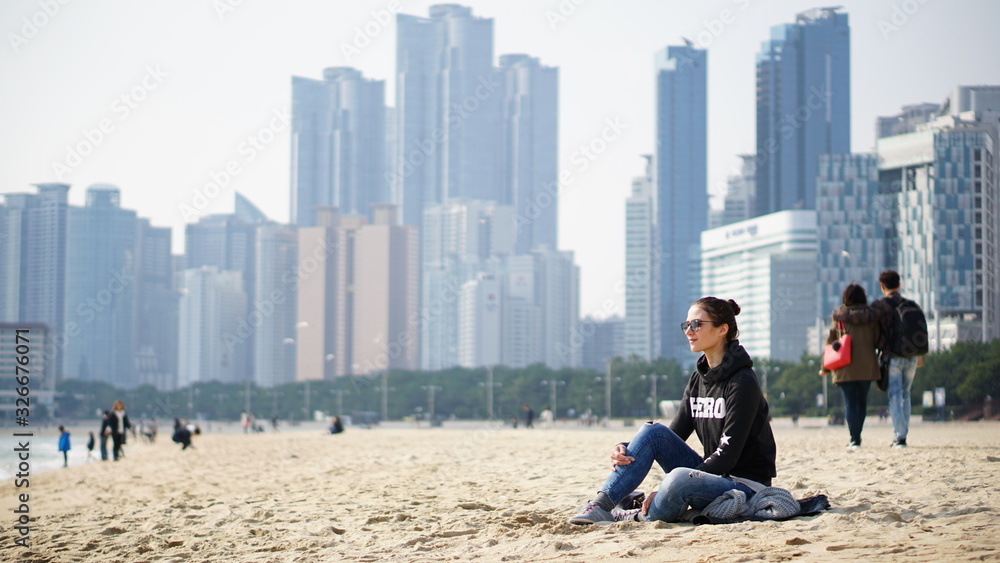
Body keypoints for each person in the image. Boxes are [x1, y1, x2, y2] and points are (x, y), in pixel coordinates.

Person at [568, 297, 776, 524]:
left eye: (696, 324)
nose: (689, 331)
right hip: (711, 478)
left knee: (677, 480)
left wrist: (677, 482)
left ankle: (631, 515)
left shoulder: (742, 381)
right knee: (652, 432)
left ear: (722, 329)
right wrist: (627, 448)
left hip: (744, 487)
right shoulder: (699, 379)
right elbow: (671, 436)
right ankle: (600, 505)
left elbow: (727, 455)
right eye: (686, 325)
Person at [832, 270, 922, 448]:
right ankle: (902, 434)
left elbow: (862, 317)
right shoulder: (912, 304)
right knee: (906, 394)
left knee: (895, 395)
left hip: (893, 356)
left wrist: (840, 315)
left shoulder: (881, 305)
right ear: (899, 284)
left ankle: (899, 437)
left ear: (882, 286)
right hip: (912, 355)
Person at [821, 284, 880, 450]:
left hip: (844, 365)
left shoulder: (839, 315)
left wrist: (824, 366)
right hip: (867, 365)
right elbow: (877, 338)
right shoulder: (871, 316)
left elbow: (830, 341)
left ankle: (854, 439)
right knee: (862, 403)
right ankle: (857, 435)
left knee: (850, 402)